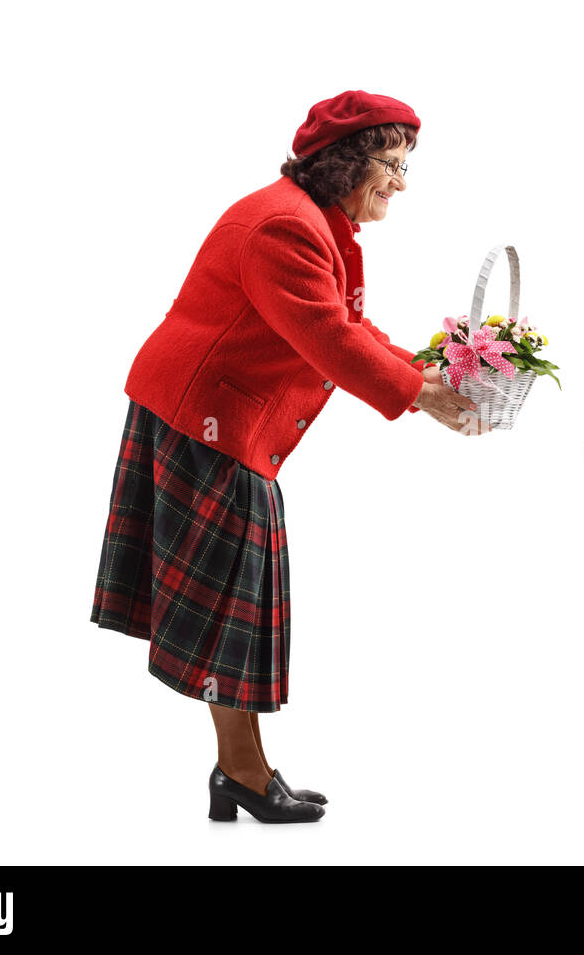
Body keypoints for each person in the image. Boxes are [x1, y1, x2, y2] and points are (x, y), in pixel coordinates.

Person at [90, 90, 483, 825]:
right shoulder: (285, 227)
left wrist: (427, 374)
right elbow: (329, 342)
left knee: (233, 609)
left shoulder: (313, 223)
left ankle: (242, 769)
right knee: (228, 609)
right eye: (391, 165)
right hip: (206, 420)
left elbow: (348, 326)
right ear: (343, 165)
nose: (401, 183)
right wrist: (420, 395)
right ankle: (242, 770)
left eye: (404, 167)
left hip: (217, 417)